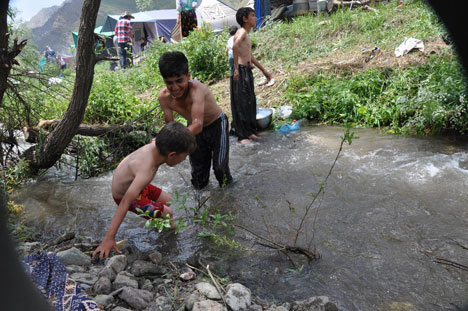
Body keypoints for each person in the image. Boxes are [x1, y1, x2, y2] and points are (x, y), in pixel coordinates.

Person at [92, 122, 197, 259]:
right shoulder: (146, 170)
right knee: (168, 213)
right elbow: (125, 203)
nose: (184, 159)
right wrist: (109, 239)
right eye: (184, 156)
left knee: (170, 200)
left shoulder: (157, 143)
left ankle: (157, 225)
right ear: (171, 155)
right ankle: (172, 246)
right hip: (126, 195)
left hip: (135, 185)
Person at [158, 51, 233, 190]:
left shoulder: (197, 89)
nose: (175, 87)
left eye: (179, 81)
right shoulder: (164, 97)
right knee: (198, 179)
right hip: (192, 129)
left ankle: (230, 196)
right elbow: (170, 125)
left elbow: (198, 124)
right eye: (169, 83)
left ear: (188, 76)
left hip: (216, 125)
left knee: (220, 169)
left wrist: (174, 141)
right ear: (164, 81)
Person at [231, 7, 273, 144]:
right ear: (245, 19)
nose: (256, 18)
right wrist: (237, 69)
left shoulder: (246, 34)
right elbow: (234, 47)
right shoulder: (242, 32)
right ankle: (242, 136)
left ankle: (249, 132)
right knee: (242, 103)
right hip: (241, 71)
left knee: (249, 102)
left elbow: (250, 56)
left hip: (245, 70)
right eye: (253, 15)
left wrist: (264, 71)